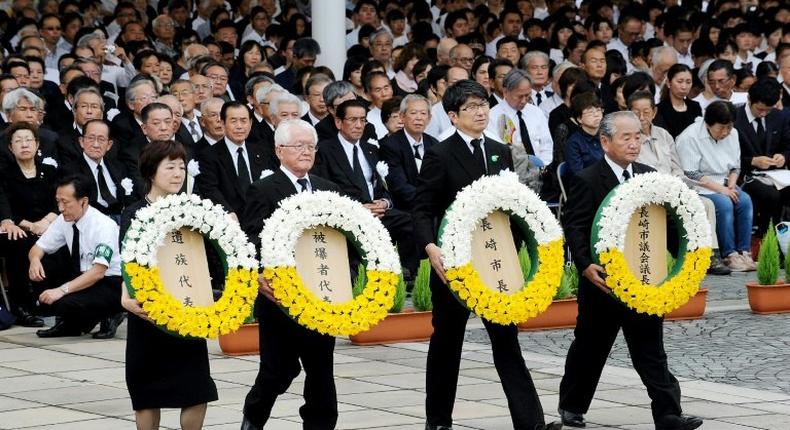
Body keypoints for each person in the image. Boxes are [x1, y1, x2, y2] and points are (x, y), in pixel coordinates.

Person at [413, 79, 559, 430]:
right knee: (448, 343)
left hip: (497, 261)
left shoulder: (499, 150)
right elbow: (421, 208)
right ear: (452, 116)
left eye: (483, 105)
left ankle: (531, 423)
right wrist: (431, 248)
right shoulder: (440, 153)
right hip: (454, 263)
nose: (480, 112)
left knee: (506, 341)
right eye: (471, 108)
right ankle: (438, 421)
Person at [559, 111, 703, 430]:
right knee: (590, 348)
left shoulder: (649, 176)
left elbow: (665, 226)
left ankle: (668, 414)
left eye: (638, 136)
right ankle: (572, 405)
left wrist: (683, 266)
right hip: (603, 284)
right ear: (605, 141)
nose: (635, 143)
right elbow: (575, 227)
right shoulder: (586, 179)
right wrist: (585, 266)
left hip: (645, 279)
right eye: (627, 137)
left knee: (650, 349)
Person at [240, 119, 342, 430]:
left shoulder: (328, 189)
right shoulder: (263, 189)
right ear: (279, 150)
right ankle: (253, 419)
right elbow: (251, 239)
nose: (306, 152)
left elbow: (342, 239)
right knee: (278, 370)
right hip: (279, 298)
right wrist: (259, 276)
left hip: (321, 293)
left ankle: (320, 424)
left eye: (310, 146)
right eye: (298, 146)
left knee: (321, 368)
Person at [121, 139, 217, 430]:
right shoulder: (135, 213)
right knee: (148, 394)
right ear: (151, 172)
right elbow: (129, 263)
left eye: (182, 167)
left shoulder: (194, 212)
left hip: (188, 310)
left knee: (196, 389)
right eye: (170, 167)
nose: (178, 174)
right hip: (149, 313)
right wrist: (125, 298)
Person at [628, 91, 730, 276]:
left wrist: (683, 186)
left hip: (674, 188)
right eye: (636, 113)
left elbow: (677, 169)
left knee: (706, 203)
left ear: (654, 112)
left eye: (646, 112)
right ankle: (689, 256)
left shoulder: (664, 135)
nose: (641, 117)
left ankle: (710, 255)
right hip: (651, 192)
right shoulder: (630, 141)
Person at [29, 174, 125, 339]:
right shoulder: (64, 219)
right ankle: (74, 324)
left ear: (83, 201)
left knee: (64, 301)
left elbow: (98, 272)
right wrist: (35, 260)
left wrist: (61, 290)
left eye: (65, 202)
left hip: (111, 282)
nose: (60, 208)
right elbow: (38, 247)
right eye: (58, 201)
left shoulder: (103, 225)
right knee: (50, 298)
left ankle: (112, 312)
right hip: (84, 277)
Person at [677, 101, 755, 272]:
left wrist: (732, 185)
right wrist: (722, 191)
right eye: (722, 128)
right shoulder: (689, 137)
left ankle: (744, 251)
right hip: (698, 186)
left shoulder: (733, 133)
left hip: (724, 182)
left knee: (745, 201)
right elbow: (691, 173)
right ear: (708, 123)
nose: (726, 132)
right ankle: (729, 255)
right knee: (724, 204)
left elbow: (735, 166)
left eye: (729, 127)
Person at [0, 122, 58, 327]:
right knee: (16, 241)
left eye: (28, 140)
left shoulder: (50, 172)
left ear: (37, 144)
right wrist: (30, 226)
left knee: (64, 240)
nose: (24, 144)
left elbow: (59, 203)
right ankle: (22, 306)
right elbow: (5, 206)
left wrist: (44, 222)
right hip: (20, 228)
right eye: (18, 141)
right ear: (10, 147)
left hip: (48, 225)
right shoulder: (4, 173)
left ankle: (57, 301)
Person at [734, 78, 790, 235]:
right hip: (745, 174)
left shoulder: (779, 117)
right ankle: (766, 236)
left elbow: (788, 146)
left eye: (768, 110)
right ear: (749, 99)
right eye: (760, 109)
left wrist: (783, 157)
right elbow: (727, 157)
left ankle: (783, 236)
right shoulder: (735, 119)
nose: (763, 114)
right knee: (770, 195)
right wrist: (752, 161)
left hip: (775, 174)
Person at [380, 94, 438, 211]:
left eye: (423, 113)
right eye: (413, 113)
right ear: (402, 116)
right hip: (406, 209)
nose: (418, 118)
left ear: (429, 118)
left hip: (433, 206)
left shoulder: (434, 143)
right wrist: (427, 202)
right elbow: (399, 186)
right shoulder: (390, 145)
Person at [656, 64, 703, 139]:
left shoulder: (695, 107)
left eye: (688, 82)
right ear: (668, 83)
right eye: (680, 81)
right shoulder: (659, 109)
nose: (684, 87)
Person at [563, 93, 604, 174]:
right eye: (590, 112)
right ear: (579, 119)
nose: (596, 115)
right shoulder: (574, 143)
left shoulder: (607, 136)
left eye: (598, 110)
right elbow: (578, 174)